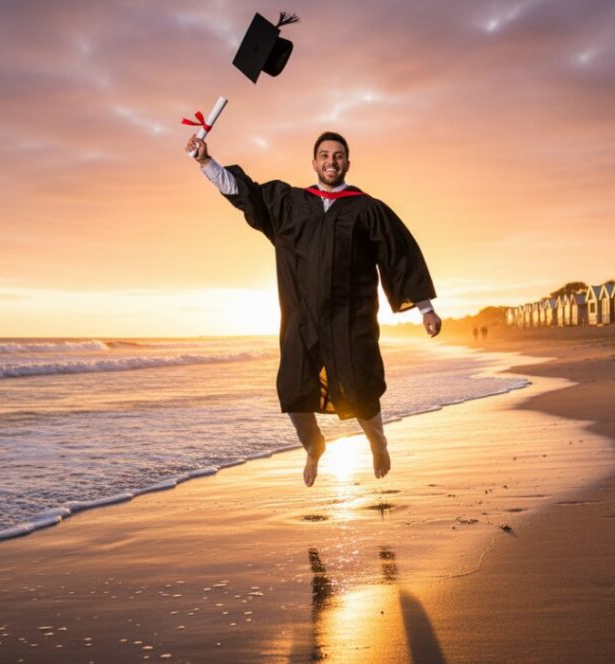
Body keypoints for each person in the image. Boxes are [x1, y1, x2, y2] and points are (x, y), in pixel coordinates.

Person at [186, 131, 441, 486]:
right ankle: (313, 445)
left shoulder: (367, 209)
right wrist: (205, 162)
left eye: (338, 156)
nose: (331, 161)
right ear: (314, 162)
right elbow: (247, 195)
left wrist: (425, 309)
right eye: (324, 155)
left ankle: (377, 442)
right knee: (292, 390)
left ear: (347, 163)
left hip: (349, 321)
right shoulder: (291, 203)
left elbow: (398, 255)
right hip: (301, 318)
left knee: (360, 390)